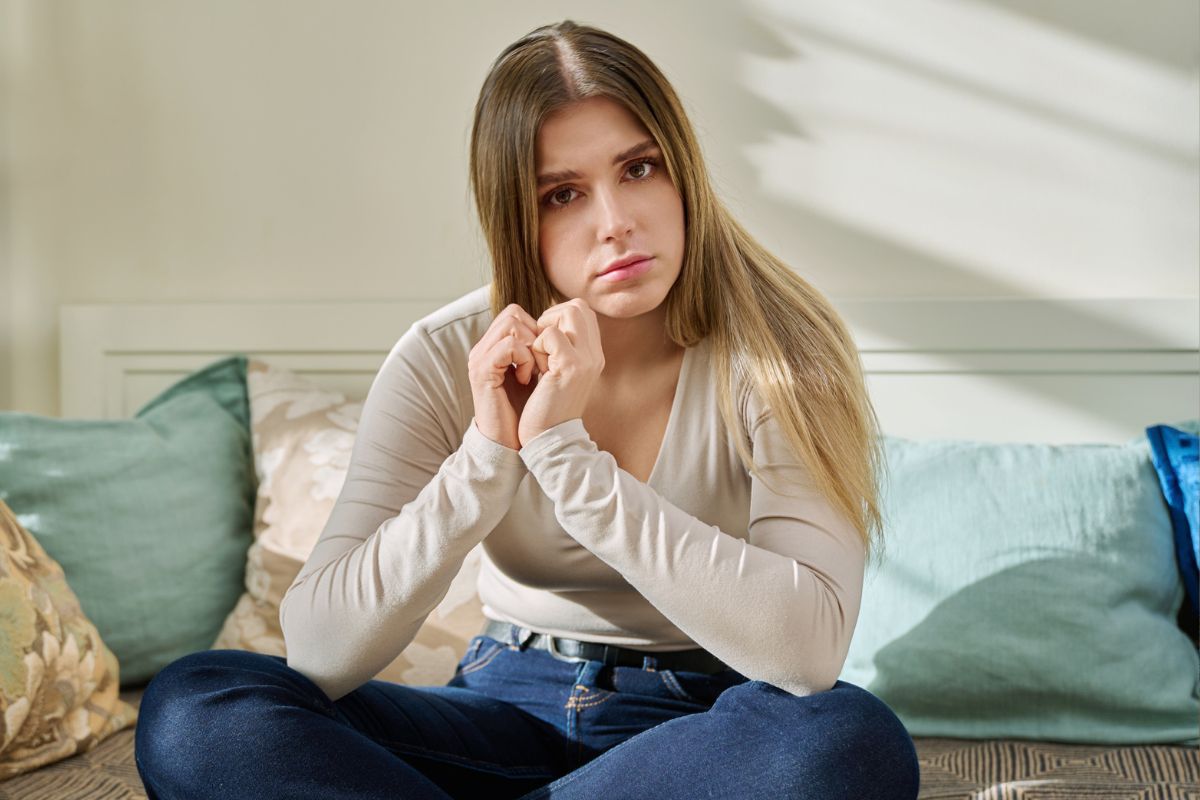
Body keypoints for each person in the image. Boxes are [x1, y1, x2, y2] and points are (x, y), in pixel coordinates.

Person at [134, 19, 920, 800]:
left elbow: (807, 654)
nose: (615, 222)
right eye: (563, 194)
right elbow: (320, 651)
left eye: (639, 168)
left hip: (705, 734)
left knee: (846, 741)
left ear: (683, 171)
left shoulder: (782, 350)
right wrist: (487, 454)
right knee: (198, 709)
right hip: (502, 702)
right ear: (516, 217)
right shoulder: (445, 354)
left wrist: (569, 462)